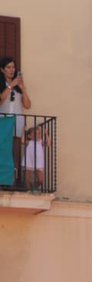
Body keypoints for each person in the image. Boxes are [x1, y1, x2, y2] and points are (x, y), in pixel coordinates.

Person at [0, 57, 31, 189]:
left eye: (13, 67)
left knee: (16, 151)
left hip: (17, 123)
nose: (11, 70)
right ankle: (3, 181)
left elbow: (27, 105)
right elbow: (1, 100)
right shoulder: (3, 85)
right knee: (3, 151)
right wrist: (10, 86)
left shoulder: (18, 86)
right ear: (2, 70)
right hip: (3, 123)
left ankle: (14, 181)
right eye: (8, 67)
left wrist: (23, 89)